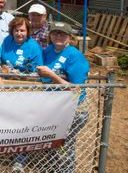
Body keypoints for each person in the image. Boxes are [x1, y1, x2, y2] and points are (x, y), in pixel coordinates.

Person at [36, 21, 90, 173]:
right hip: (54, 106)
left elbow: (76, 88)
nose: (58, 36)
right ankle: (53, 168)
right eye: (55, 33)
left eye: (63, 34)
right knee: (53, 142)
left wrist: (52, 75)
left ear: (69, 37)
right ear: (50, 35)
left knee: (66, 143)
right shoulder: (47, 51)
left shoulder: (75, 56)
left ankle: (67, 170)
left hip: (73, 108)